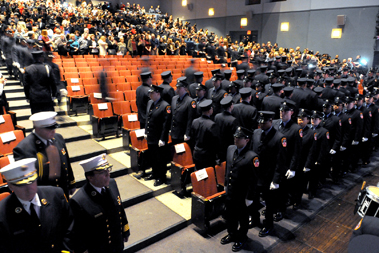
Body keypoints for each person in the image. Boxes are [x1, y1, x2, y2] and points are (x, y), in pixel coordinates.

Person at [0, 157, 74, 253]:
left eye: (31, 181)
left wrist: (66, 250)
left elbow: (69, 226)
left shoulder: (55, 195)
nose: (28, 188)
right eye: (21, 184)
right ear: (10, 186)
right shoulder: (2, 213)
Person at [70, 154, 130, 253]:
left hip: (117, 244)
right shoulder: (79, 201)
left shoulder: (112, 183)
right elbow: (78, 233)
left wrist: (125, 229)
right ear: (90, 177)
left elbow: (119, 208)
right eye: (102, 172)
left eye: (108, 170)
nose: (108, 174)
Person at [13, 111, 76, 198]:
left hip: (63, 189)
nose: (53, 131)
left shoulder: (58, 138)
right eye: (49, 129)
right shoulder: (24, 149)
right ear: (38, 128)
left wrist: (71, 183)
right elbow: (28, 180)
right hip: (44, 195)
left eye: (54, 128)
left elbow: (66, 162)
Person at [220, 127, 258, 252]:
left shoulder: (252, 157)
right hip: (231, 191)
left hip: (242, 195)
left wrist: (250, 197)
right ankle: (231, 233)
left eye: (239, 137)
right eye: (235, 136)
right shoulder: (230, 149)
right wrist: (225, 184)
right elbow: (228, 169)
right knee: (230, 215)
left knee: (243, 218)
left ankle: (241, 237)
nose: (236, 139)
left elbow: (253, 180)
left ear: (247, 140)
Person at [250, 111, 287, 237]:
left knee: (269, 205)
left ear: (271, 121)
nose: (261, 125)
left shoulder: (279, 138)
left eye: (264, 123)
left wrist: (276, 180)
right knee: (254, 200)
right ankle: (254, 219)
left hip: (268, 177)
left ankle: (268, 225)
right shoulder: (256, 133)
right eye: (260, 123)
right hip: (255, 176)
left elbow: (280, 161)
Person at [144, 85, 172, 186]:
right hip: (151, 136)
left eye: (152, 93)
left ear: (158, 94)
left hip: (159, 138)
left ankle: (161, 177)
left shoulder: (165, 106)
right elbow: (148, 118)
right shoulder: (150, 103)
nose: (150, 94)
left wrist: (163, 139)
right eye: (150, 93)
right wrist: (145, 131)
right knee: (153, 157)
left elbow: (166, 125)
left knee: (160, 158)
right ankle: (154, 174)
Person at [190, 99, 220, 170]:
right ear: (210, 110)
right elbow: (215, 143)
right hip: (207, 156)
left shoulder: (195, 121)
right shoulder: (211, 125)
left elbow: (192, 138)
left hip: (197, 153)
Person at [170, 77, 196, 145]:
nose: (177, 90)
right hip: (174, 132)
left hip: (182, 134)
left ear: (185, 88)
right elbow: (172, 115)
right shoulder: (174, 99)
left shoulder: (190, 101)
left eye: (179, 88)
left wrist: (187, 133)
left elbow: (190, 119)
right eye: (176, 87)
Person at [214, 96, 238, 162]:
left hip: (218, 147)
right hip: (228, 148)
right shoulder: (233, 120)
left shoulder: (217, 116)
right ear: (231, 106)